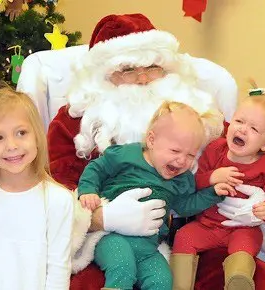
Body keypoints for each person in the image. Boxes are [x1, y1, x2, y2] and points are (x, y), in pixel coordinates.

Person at [19, 12, 265, 290]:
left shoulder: (201, 115)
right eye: (129, 69)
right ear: (105, 76)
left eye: (153, 67)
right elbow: (54, 192)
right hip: (105, 239)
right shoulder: (75, 121)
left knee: (258, 280)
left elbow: (251, 161)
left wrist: (256, 204)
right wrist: (101, 218)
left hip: (192, 239)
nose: (143, 79)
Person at [78, 101, 230, 290]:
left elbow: (184, 206)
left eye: (191, 155)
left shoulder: (181, 179)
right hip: (111, 236)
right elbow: (96, 168)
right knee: (122, 267)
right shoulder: (126, 155)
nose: (182, 160)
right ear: (151, 140)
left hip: (148, 248)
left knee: (163, 280)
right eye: (175, 150)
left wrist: (213, 193)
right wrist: (88, 191)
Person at [0, 88, 74, 289]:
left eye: (21, 133)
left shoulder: (58, 199)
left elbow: (58, 268)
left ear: (37, 135)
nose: (12, 145)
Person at [171, 93, 265, 290]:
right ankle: (179, 285)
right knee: (184, 236)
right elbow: (194, 182)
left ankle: (239, 280)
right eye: (239, 121)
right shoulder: (215, 150)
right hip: (207, 225)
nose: (243, 129)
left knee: (244, 248)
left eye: (253, 128)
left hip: (243, 229)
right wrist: (212, 177)